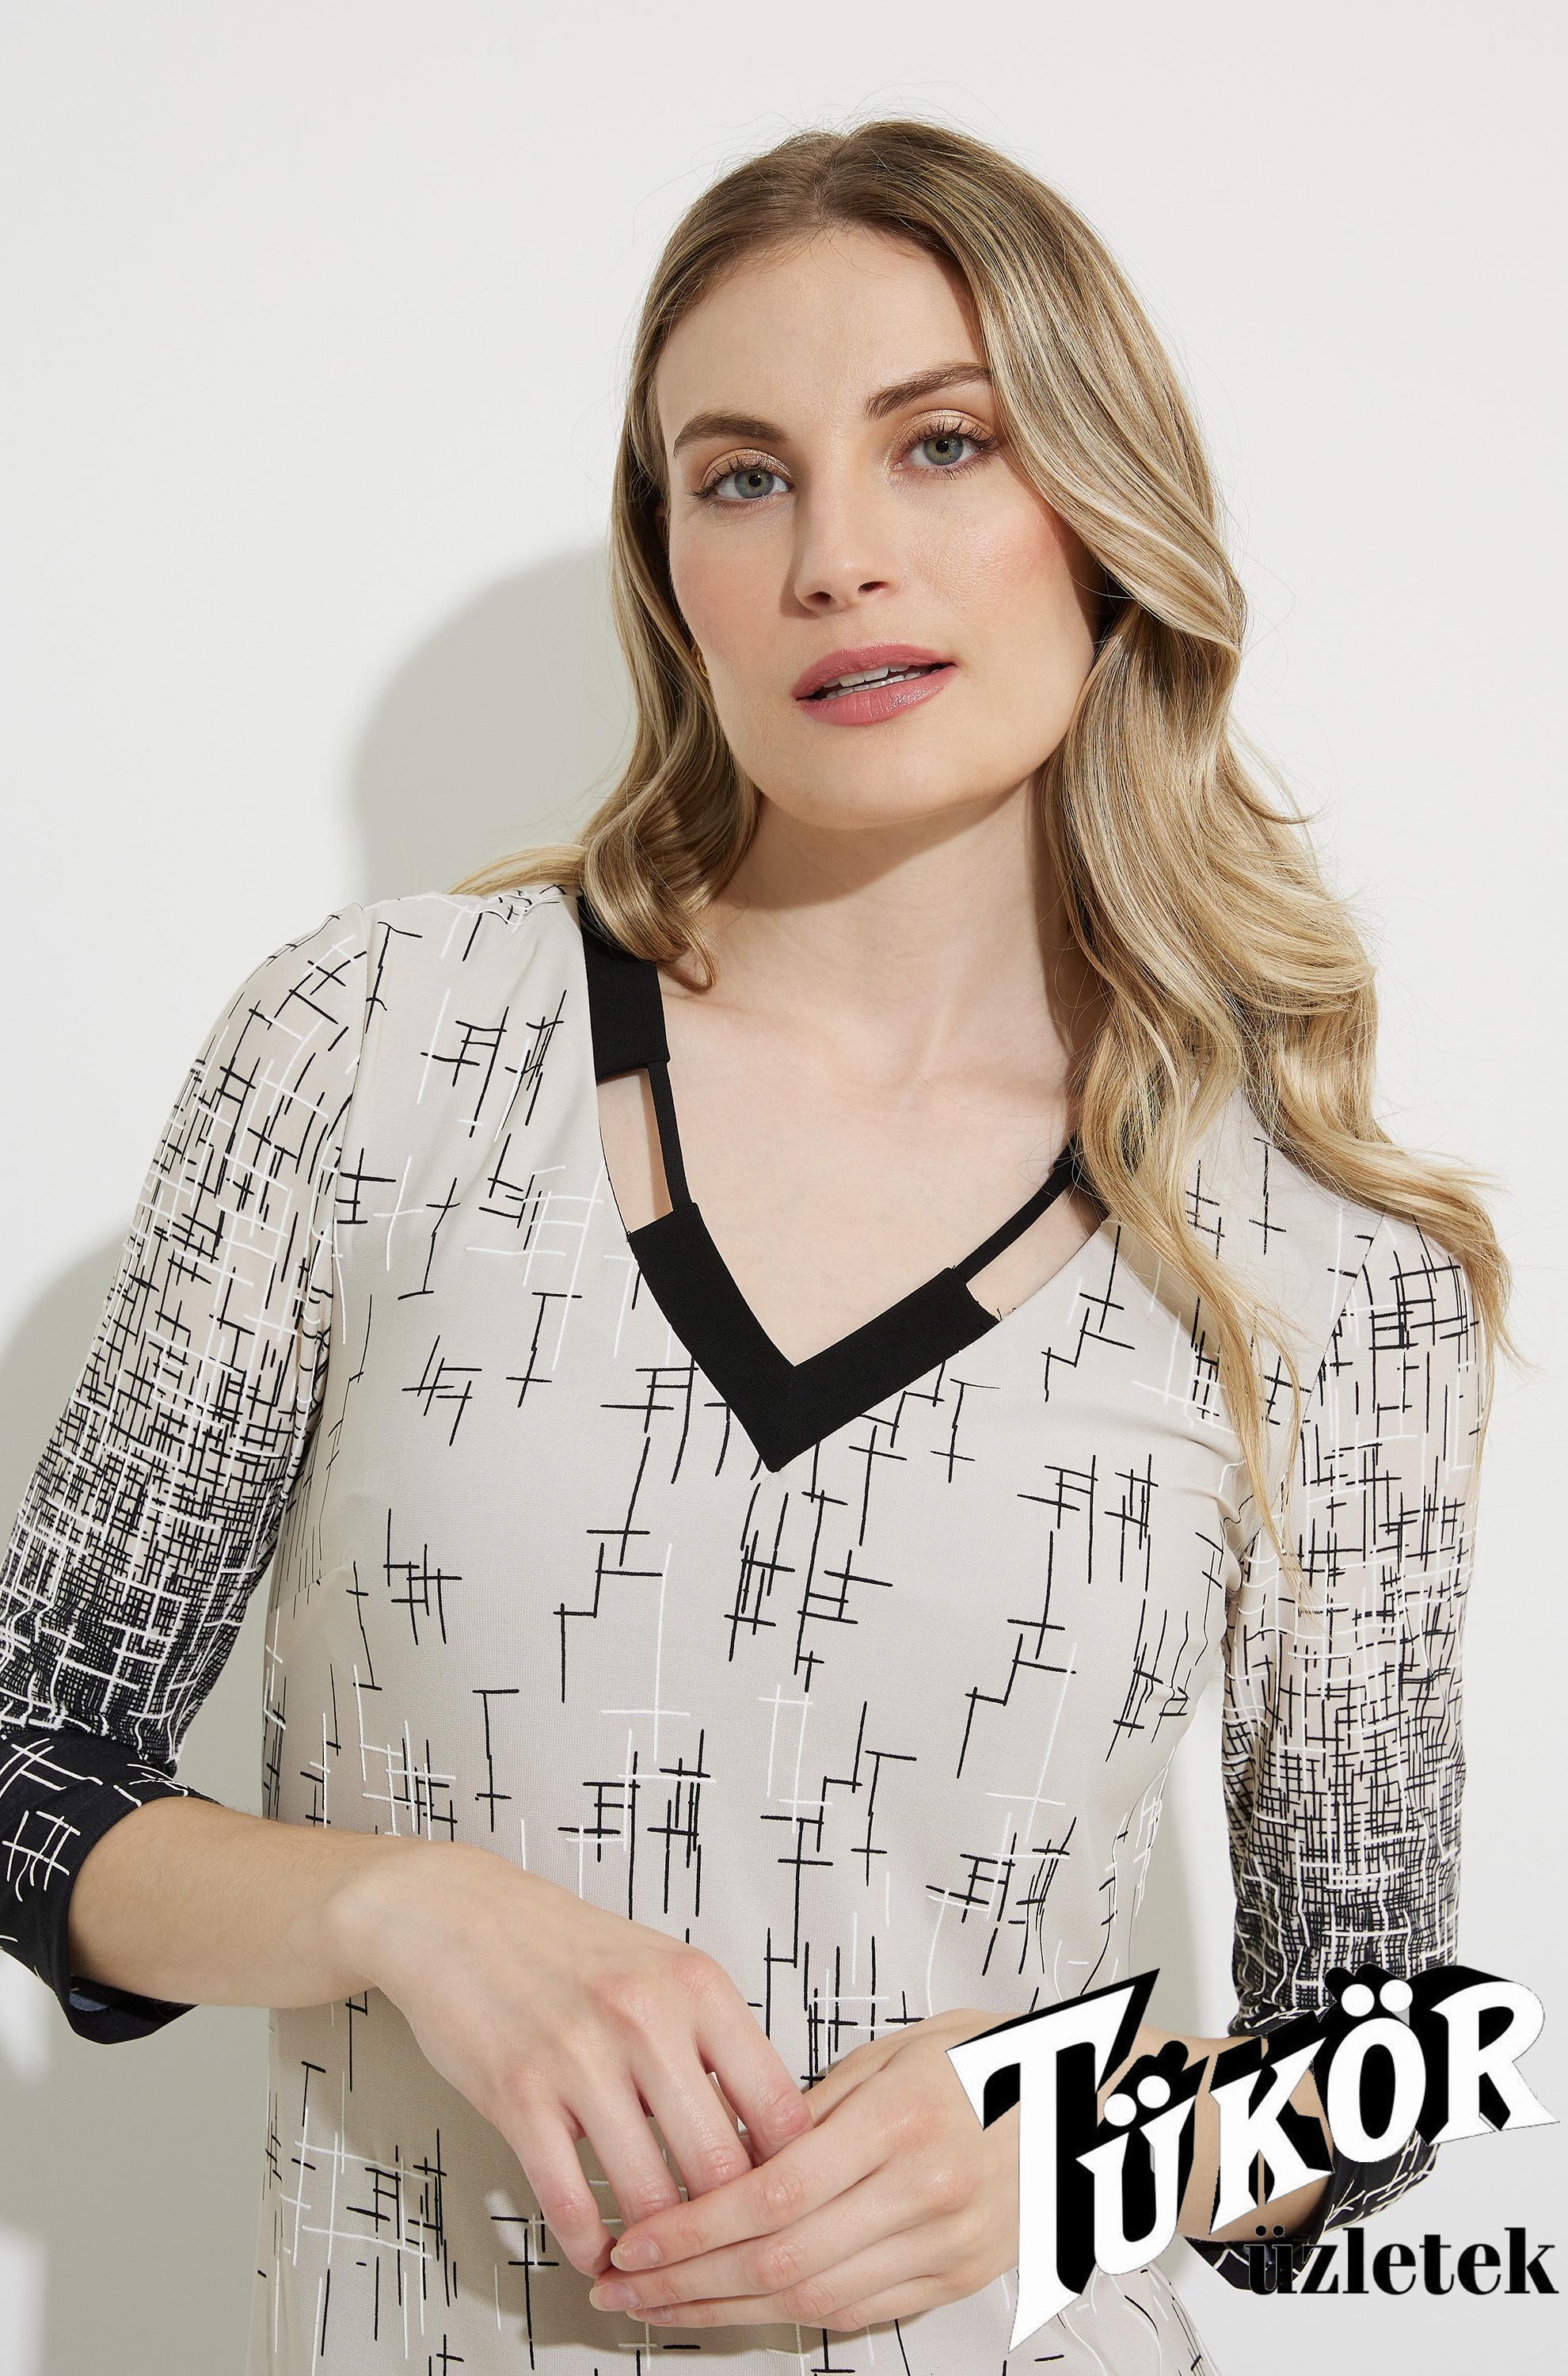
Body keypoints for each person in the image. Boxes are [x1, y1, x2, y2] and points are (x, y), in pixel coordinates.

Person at [0, 117, 1510, 2376]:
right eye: (742, 477)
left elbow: (1394, 2057)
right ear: (672, 569)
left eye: (942, 445)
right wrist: (400, 1909)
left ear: (1103, 515)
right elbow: (26, 1751)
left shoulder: (1322, 1264)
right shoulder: (376, 1047)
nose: (837, 558)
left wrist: (1073, 2141)